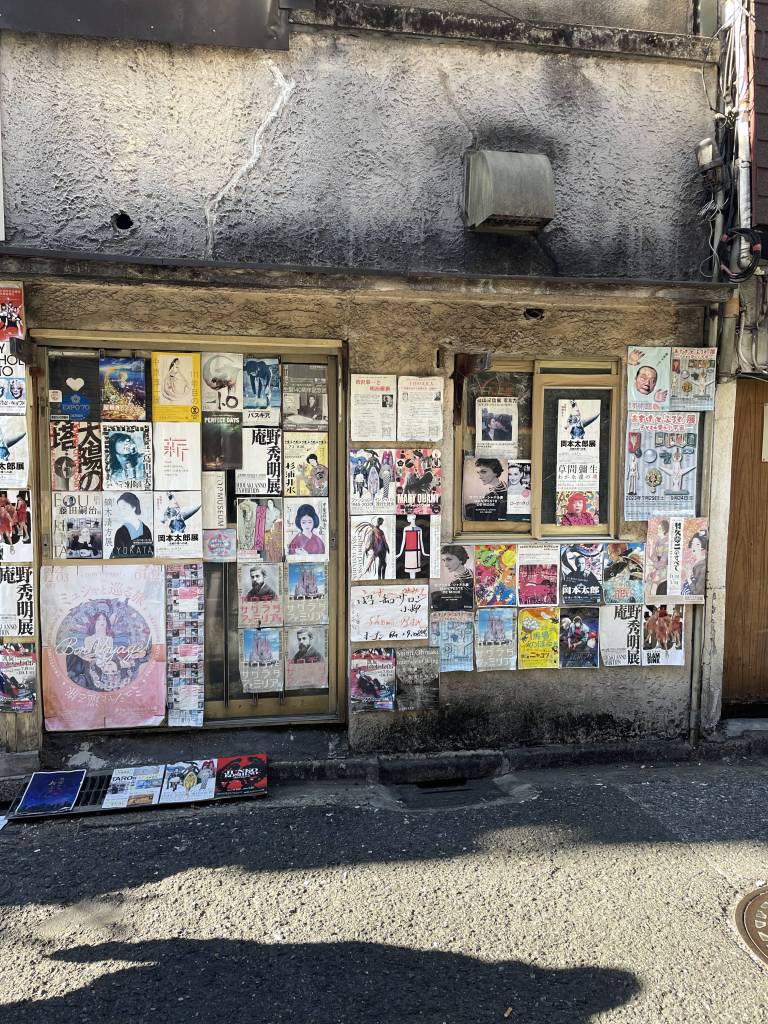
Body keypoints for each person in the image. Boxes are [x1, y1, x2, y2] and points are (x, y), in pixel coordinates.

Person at [111, 492, 154, 558]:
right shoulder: (120, 532)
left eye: (124, 508)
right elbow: (117, 556)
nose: (122, 512)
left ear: (134, 507)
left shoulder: (146, 529)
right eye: (120, 509)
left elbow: (150, 554)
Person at [431, 545, 473, 610]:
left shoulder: (462, 582)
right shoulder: (468, 572)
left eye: (449, 559)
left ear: (460, 559)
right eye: (444, 560)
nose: (445, 564)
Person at [396, 513, 427, 578]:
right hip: (408, 552)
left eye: (408, 517)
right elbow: (403, 541)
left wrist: (424, 552)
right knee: (410, 570)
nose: (407, 518)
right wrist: (400, 553)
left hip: (416, 551)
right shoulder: (406, 529)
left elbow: (421, 541)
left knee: (414, 570)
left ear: (413, 518)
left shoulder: (419, 529)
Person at [684, 531, 708, 596]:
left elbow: (697, 592)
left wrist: (688, 578)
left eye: (697, 544)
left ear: (702, 547)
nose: (694, 547)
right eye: (693, 544)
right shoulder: (695, 562)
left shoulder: (703, 565)